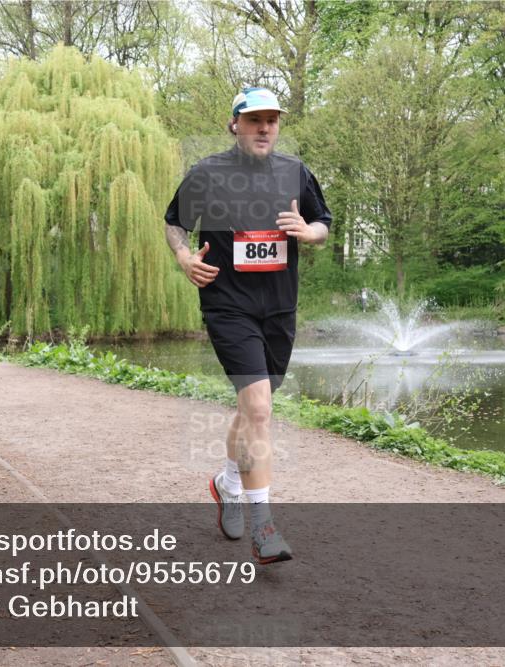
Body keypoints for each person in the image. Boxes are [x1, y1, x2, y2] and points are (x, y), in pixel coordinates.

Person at [163, 86, 332, 564]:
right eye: (253, 119)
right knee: (258, 408)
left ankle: (228, 481)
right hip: (228, 304)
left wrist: (308, 233)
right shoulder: (208, 173)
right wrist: (182, 257)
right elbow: (175, 221)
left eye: (271, 120)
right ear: (234, 124)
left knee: (253, 407)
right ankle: (265, 529)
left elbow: (323, 222)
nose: (264, 128)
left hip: (279, 308)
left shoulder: (294, 172)